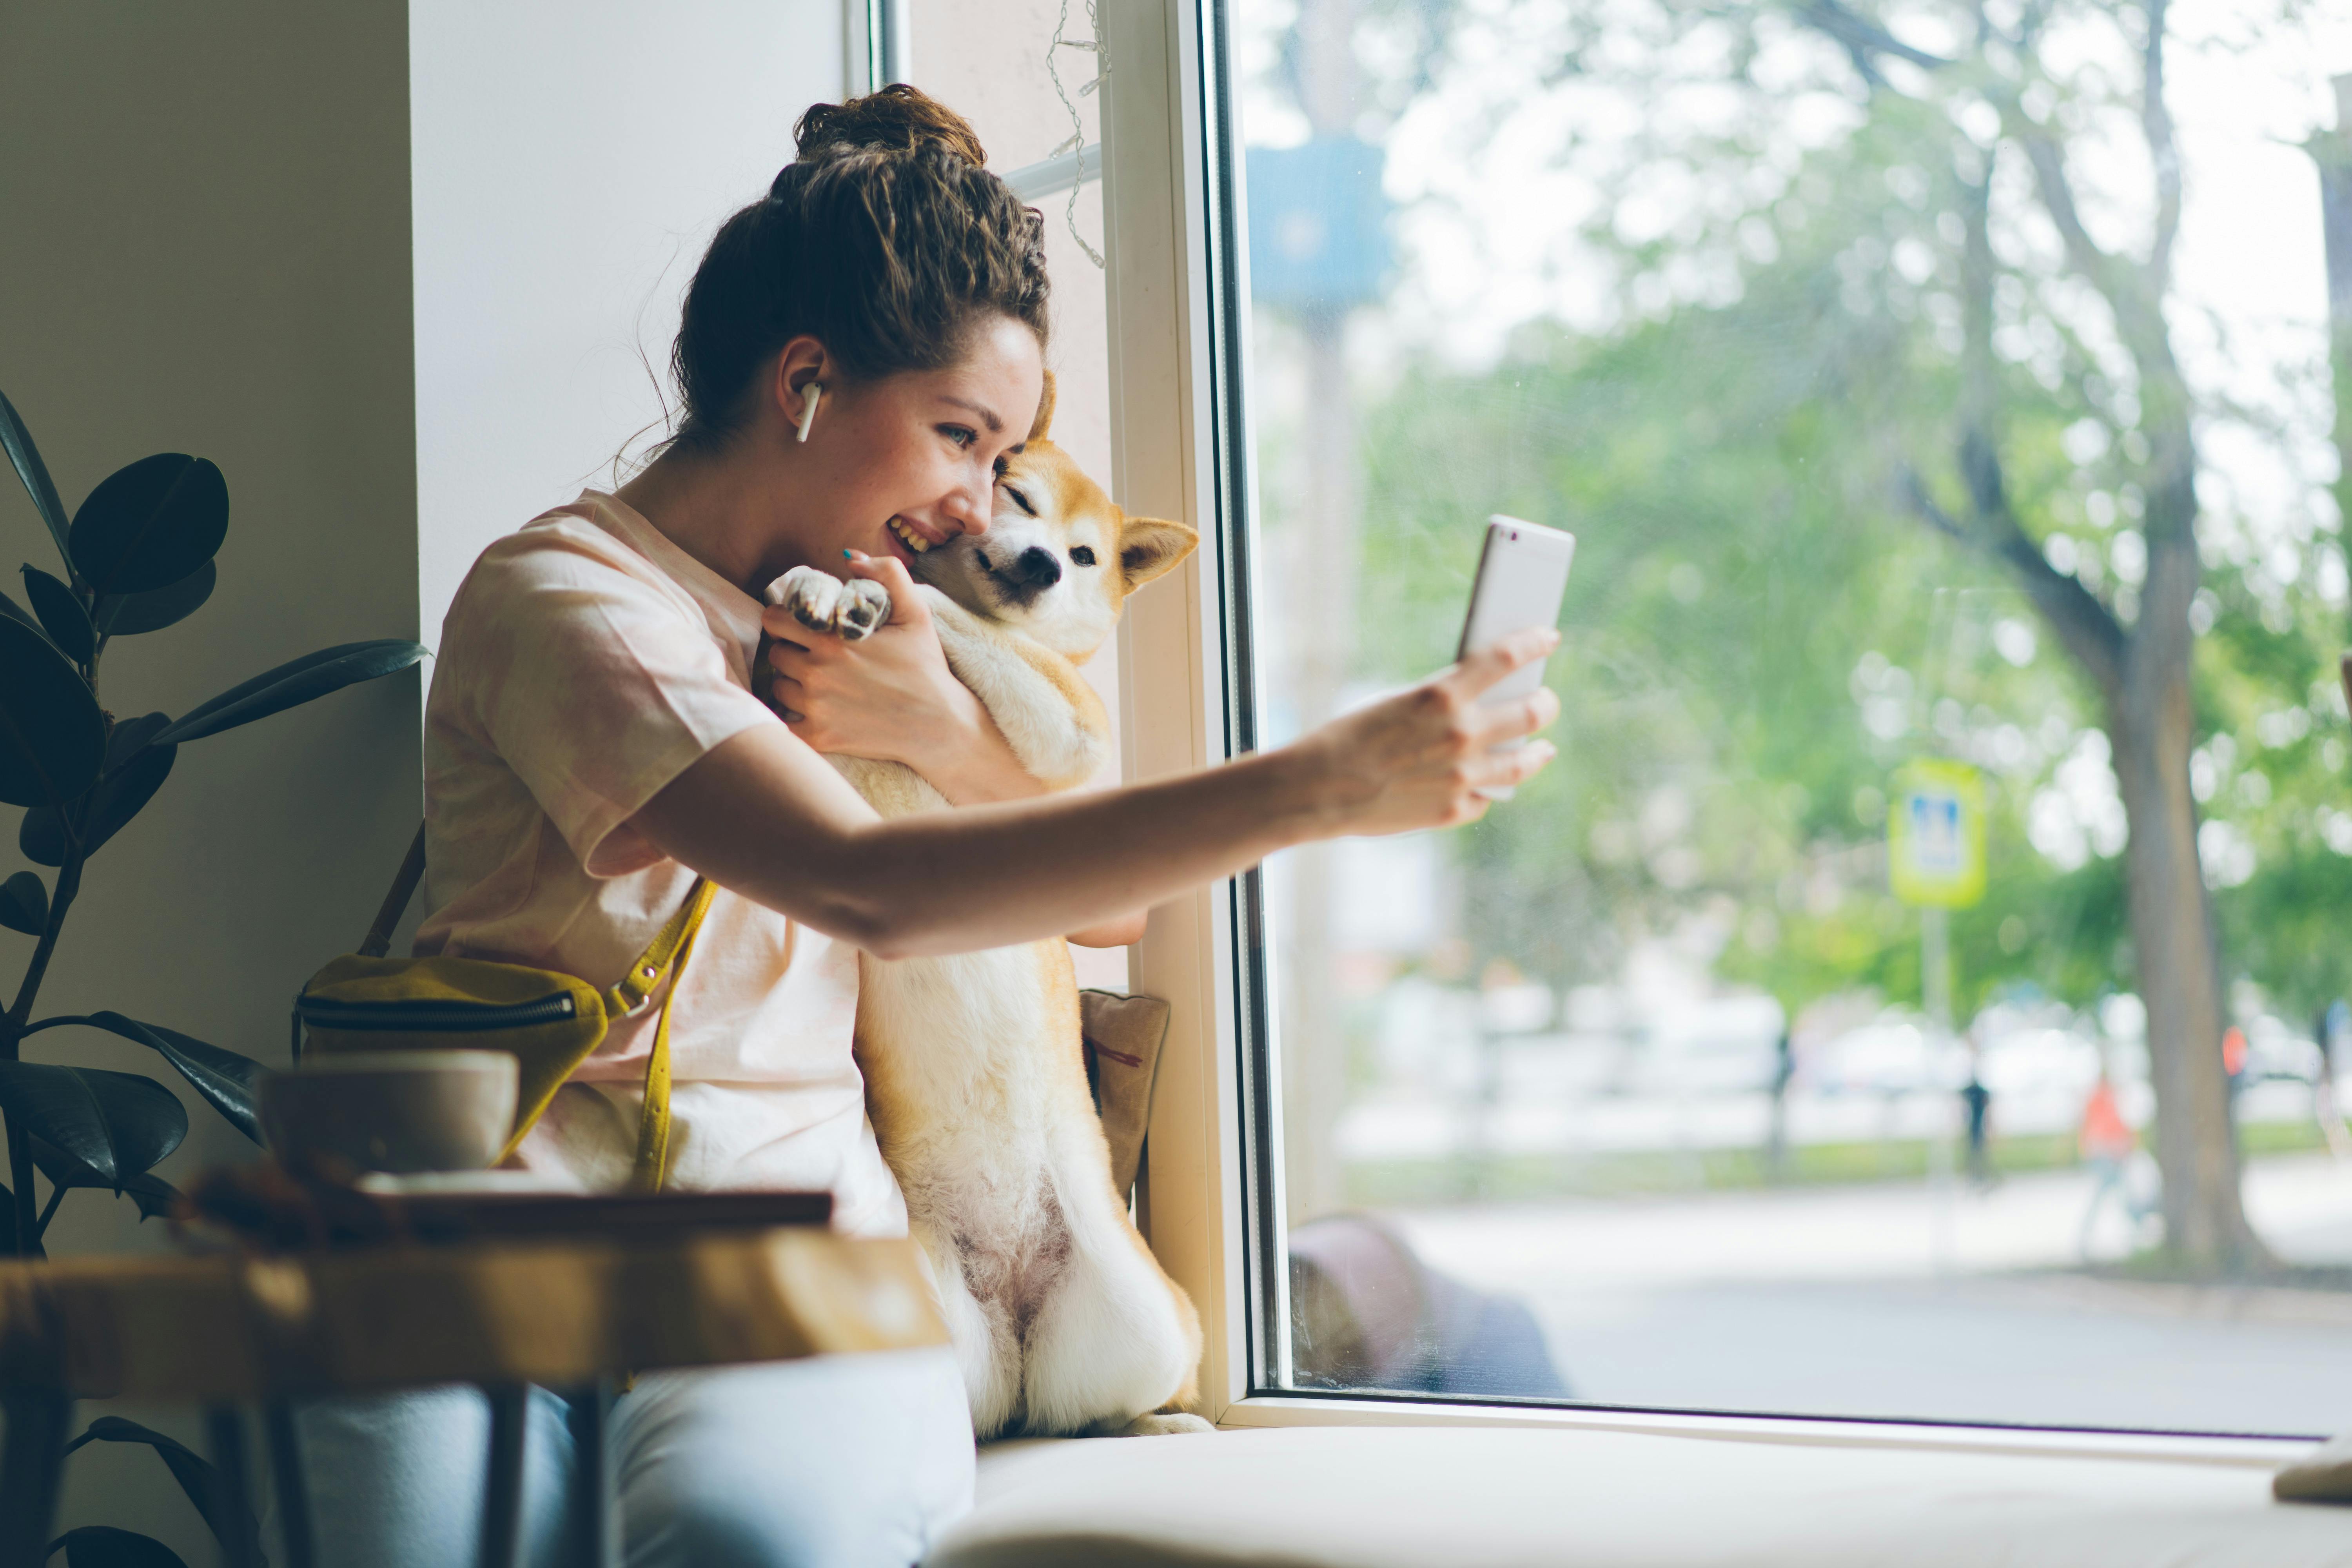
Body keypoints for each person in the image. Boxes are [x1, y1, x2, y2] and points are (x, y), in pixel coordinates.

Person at [296, 86, 1559, 1568]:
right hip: (497, 1219)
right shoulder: (571, 601)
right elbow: (867, 886)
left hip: (791, 1242)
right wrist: (1322, 782)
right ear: (807, 380)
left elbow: (1103, 917)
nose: (976, 498)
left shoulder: (891, 628)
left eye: (1000, 450)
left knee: (746, 1532)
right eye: (961, 434)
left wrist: (938, 726)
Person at [2075, 1066, 2146, 1261]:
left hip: (2111, 1153)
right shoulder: (2102, 1098)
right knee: (2112, 1193)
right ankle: (2133, 1230)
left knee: (2116, 1193)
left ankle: (2133, 1230)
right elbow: (2101, 1128)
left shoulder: (2104, 1097)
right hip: (2107, 1154)